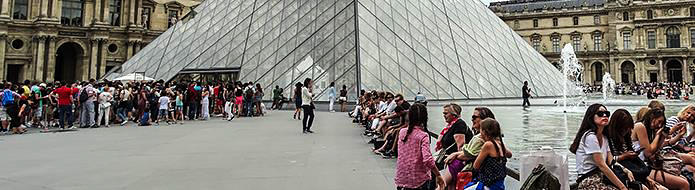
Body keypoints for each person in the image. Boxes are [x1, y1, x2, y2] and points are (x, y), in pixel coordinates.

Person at [570, 104, 628, 190]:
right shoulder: (590, 137)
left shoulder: (604, 137)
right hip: (589, 181)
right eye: (600, 114)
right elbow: (602, 165)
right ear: (591, 117)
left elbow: (611, 161)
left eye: (607, 113)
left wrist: (626, 170)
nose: (604, 115)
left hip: (601, 178)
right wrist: (622, 187)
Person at [631, 108, 690, 190]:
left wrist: (664, 135)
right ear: (652, 117)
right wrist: (658, 135)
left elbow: (656, 150)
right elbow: (648, 153)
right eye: (659, 121)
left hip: (647, 165)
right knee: (684, 184)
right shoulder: (640, 126)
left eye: (661, 123)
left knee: (685, 180)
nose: (659, 125)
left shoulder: (649, 129)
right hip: (641, 167)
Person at [395, 103, 445, 190]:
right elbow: (427, 159)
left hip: (402, 176)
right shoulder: (423, 135)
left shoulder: (402, 132)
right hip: (418, 180)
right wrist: (438, 175)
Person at [463, 118, 512, 190]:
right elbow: (509, 155)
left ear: (484, 132)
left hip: (489, 184)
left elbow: (476, 166)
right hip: (499, 183)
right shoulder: (499, 143)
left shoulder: (488, 145)